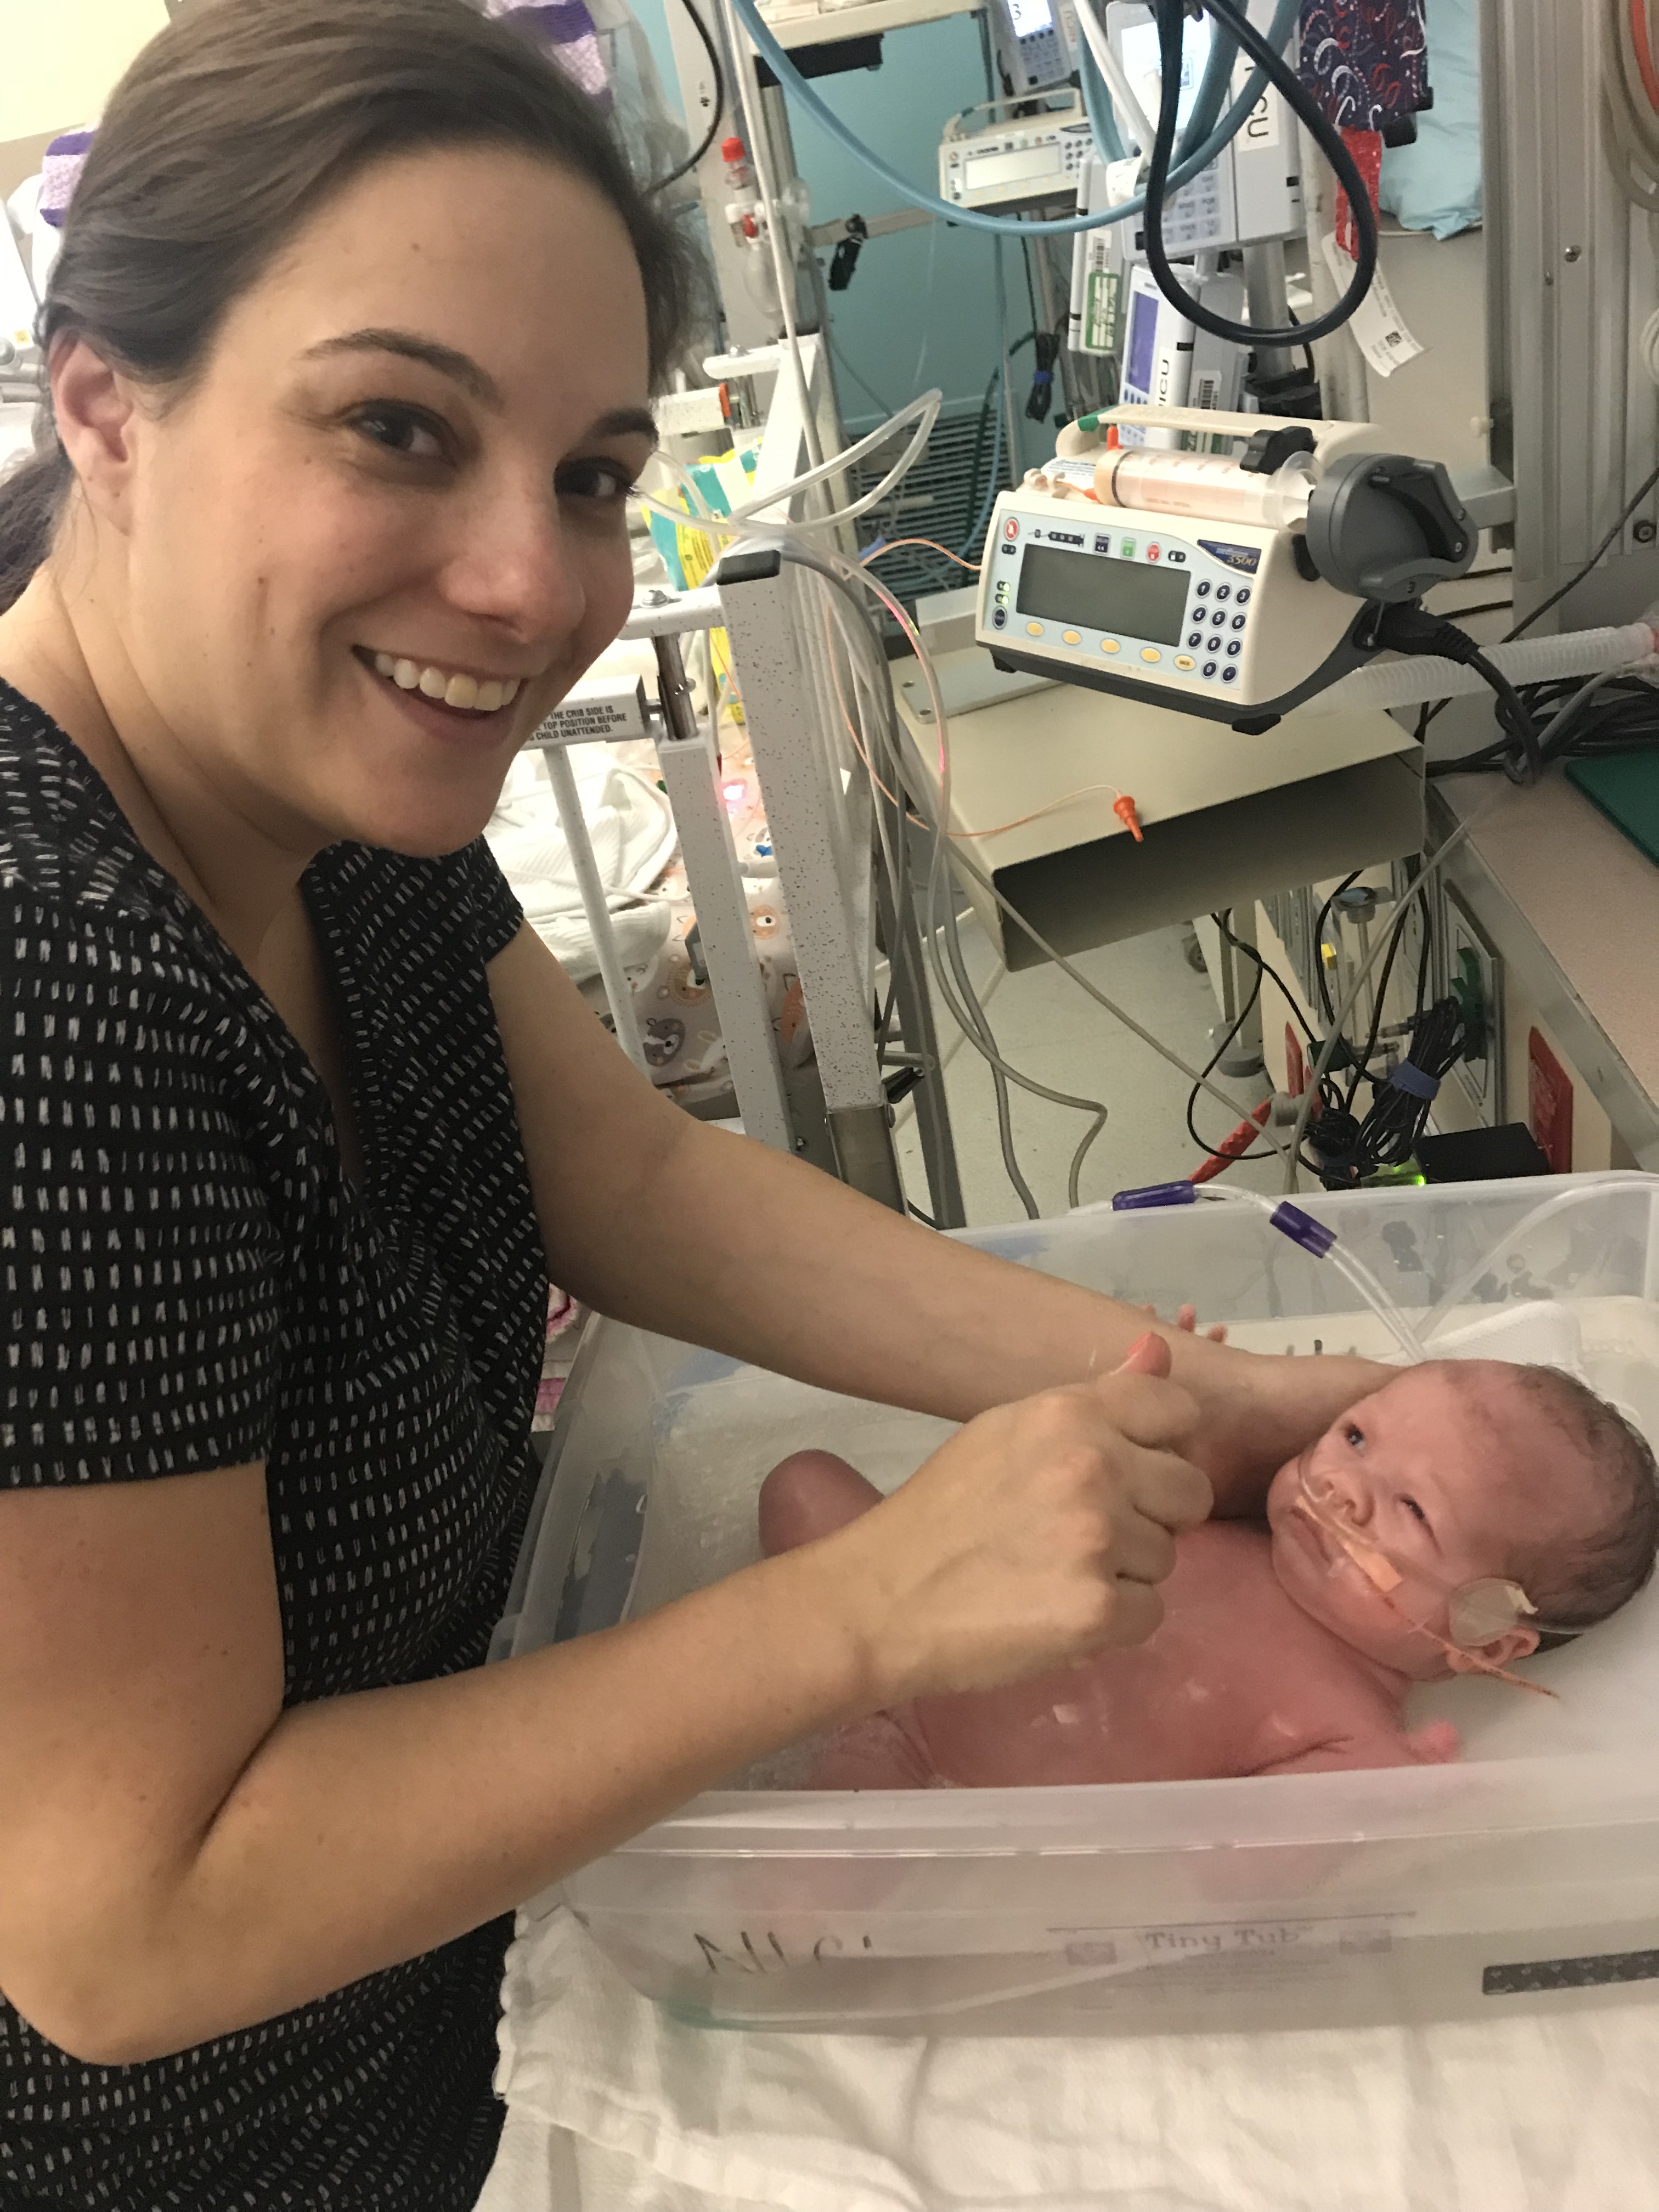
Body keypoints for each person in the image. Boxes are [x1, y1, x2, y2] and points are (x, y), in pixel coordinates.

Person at [0, 2, 1390, 2204]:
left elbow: (638, 1179)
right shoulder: (58, 996)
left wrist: (1184, 1388)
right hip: (259, 2132)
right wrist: (870, 1607)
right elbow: (123, 1925)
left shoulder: (307, 778)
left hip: (495, 1924)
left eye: (588, 475)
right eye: (395, 427)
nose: (529, 586)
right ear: (104, 405)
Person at [758, 1357, 1659, 1786]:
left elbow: (1230, 1874)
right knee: (803, 1484)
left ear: (1487, 1638)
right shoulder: (1235, 1514)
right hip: (910, 1613)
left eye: (1413, 1510)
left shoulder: (1345, 1727)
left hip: (928, 1761)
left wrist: (1378, 1799)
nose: (1340, 1489)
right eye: (1355, 1437)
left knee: (810, 1896)